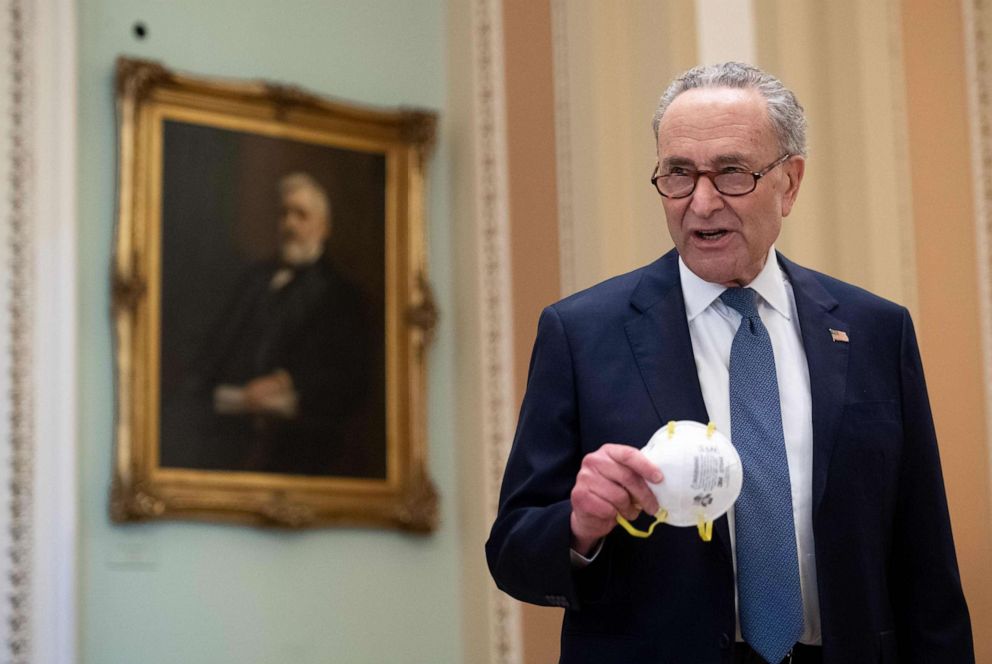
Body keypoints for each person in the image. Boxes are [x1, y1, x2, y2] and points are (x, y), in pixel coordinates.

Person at [486, 62, 974, 663]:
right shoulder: (582, 334)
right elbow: (511, 554)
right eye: (679, 174)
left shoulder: (876, 330)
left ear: (790, 183)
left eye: (732, 173)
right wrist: (580, 526)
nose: (702, 201)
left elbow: (926, 563)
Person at [168, 172, 375, 477]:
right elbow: (216, 347)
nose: (290, 225)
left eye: (301, 215)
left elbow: (345, 374)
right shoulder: (254, 280)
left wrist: (283, 381)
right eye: (284, 214)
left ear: (324, 227)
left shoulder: (340, 294)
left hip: (298, 439)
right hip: (228, 423)